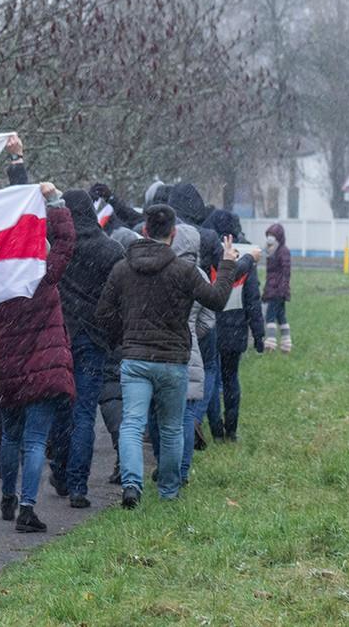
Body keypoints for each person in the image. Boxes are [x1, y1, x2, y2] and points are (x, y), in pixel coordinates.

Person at [95, 204, 239, 509]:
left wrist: (124, 337)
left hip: (135, 359)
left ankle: (132, 484)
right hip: (173, 360)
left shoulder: (123, 269)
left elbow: (103, 313)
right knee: (172, 427)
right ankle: (169, 491)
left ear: (145, 230)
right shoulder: (184, 271)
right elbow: (216, 299)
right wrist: (227, 264)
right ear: (172, 234)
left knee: (133, 423)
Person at [0, 183, 76, 532]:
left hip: (7, 366)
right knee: (36, 439)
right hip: (42, 369)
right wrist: (55, 202)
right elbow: (67, 241)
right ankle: (28, 507)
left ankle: (8, 496)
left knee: (10, 437)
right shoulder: (44, 275)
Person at [48, 189, 124, 508]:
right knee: (84, 413)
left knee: (61, 408)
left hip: (60, 335)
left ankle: (61, 471)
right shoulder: (111, 250)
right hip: (94, 338)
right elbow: (119, 298)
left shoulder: (58, 248)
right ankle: (78, 485)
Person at [145, 225, 215, 486]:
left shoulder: (161, 270)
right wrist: (191, 333)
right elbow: (209, 319)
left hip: (157, 347)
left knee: (156, 411)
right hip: (190, 350)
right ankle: (181, 472)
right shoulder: (198, 275)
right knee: (184, 414)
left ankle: (164, 464)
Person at [202, 209, 266, 442]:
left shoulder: (209, 254)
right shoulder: (247, 256)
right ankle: (231, 430)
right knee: (231, 380)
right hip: (236, 329)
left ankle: (215, 429)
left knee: (210, 377)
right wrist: (258, 335)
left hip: (209, 325)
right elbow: (253, 301)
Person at [263, 223, 293, 353]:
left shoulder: (283, 251)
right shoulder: (272, 251)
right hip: (273, 289)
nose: (270, 238)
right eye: (268, 235)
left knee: (270, 316)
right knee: (281, 316)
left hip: (277, 290)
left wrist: (282, 289)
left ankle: (270, 344)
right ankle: (286, 344)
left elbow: (286, 272)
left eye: (272, 235)